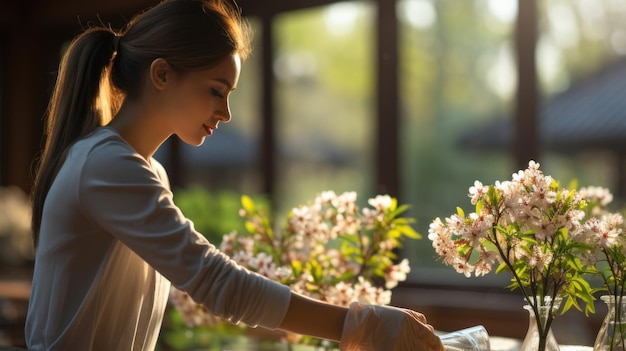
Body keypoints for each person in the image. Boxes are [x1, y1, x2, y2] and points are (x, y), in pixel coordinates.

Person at [26, 0, 444, 350]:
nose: (225, 113)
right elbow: (212, 279)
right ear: (162, 74)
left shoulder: (143, 169)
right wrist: (362, 325)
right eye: (215, 90)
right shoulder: (106, 165)